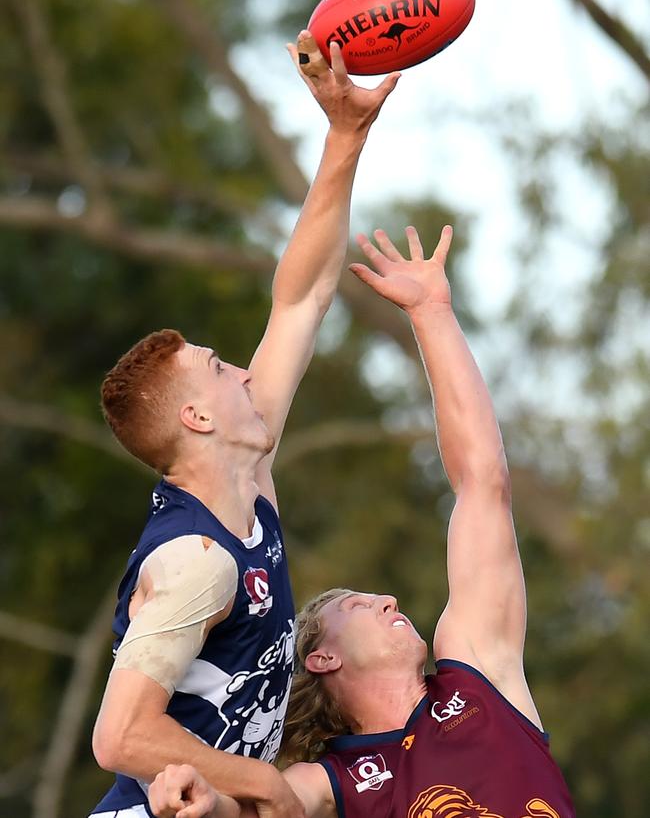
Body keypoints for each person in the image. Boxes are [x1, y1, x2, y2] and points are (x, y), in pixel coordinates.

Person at [147, 225, 576, 818]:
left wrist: (432, 312)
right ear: (322, 658)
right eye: (353, 605)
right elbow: (256, 806)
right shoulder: (331, 781)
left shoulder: (480, 674)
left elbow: (484, 485)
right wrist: (197, 799)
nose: (387, 601)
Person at [89, 30, 400, 818]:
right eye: (219, 368)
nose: (239, 370)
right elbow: (120, 735)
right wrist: (264, 784)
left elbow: (300, 298)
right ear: (196, 417)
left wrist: (343, 138)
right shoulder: (198, 561)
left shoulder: (248, 485)